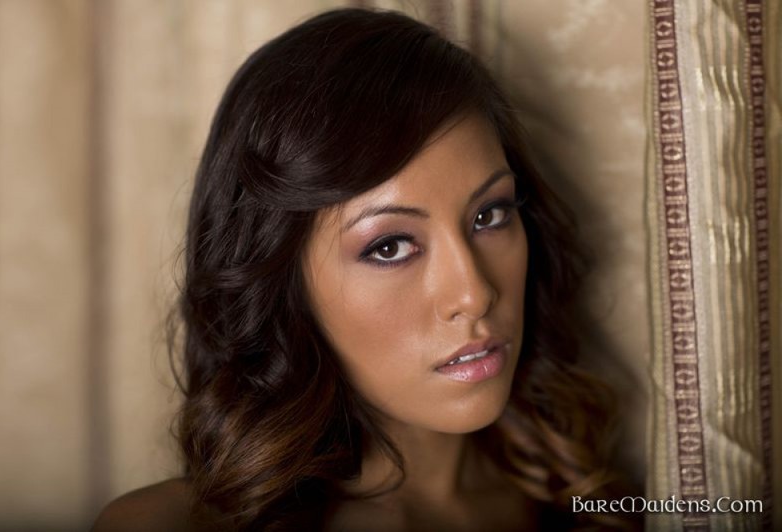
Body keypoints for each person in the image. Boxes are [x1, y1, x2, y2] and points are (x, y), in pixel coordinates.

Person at [93, 7, 638, 531]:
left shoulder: (599, 507)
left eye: (489, 215)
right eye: (390, 247)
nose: (474, 294)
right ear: (285, 287)